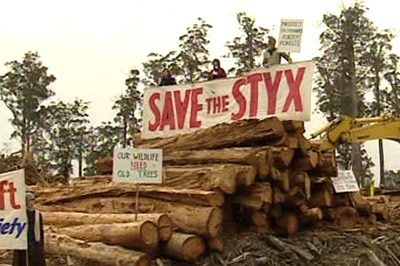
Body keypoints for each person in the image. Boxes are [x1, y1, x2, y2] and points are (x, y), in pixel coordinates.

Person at [13, 193, 46, 266]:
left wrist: (41, 243)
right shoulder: (22, 213)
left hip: (35, 242)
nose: (32, 202)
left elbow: (40, 230)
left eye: (33, 200)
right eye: (31, 200)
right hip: (24, 242)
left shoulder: (37, 214)